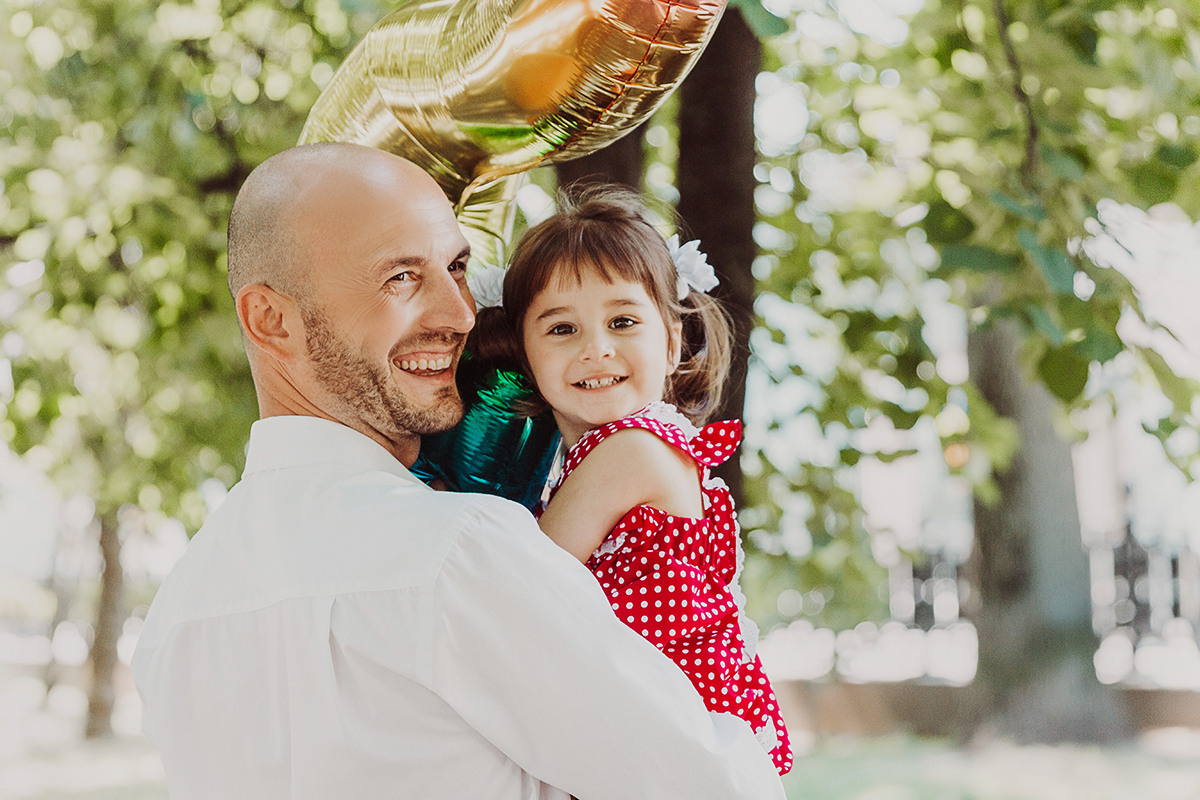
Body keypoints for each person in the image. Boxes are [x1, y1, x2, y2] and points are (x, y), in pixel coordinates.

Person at [130, 143, 785, 800]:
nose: (461, 313)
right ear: (271, 321)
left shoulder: (178, 616)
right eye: (401, 277)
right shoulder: (461, 552)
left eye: (458, 268)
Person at [474, 186, 792, 774]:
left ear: (672, 342)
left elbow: (523, 581)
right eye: (562, 329)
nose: (597, 348)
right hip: (644, 731)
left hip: (676, 739)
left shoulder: (633, 450)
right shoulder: (592, 456)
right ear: (525, 352)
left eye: (622, 321)